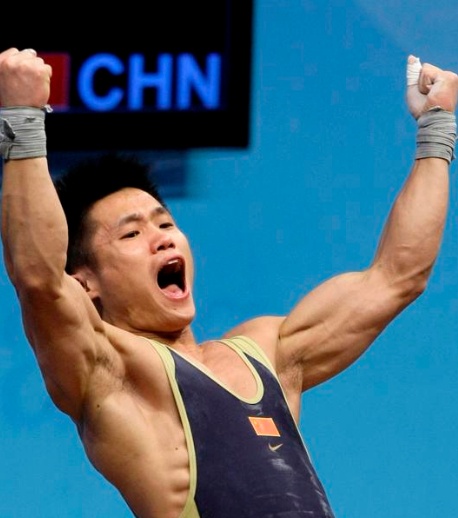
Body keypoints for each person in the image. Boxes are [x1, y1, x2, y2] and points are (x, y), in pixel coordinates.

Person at [0, 47, 457, 518]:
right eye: (132, 234)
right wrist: (22, 117)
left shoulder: (268, 352)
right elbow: (38, 280)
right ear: (86, 283)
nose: (161, 239)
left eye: (165, 223)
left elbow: (398, 275)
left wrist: (437, 126)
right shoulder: (109, 372)